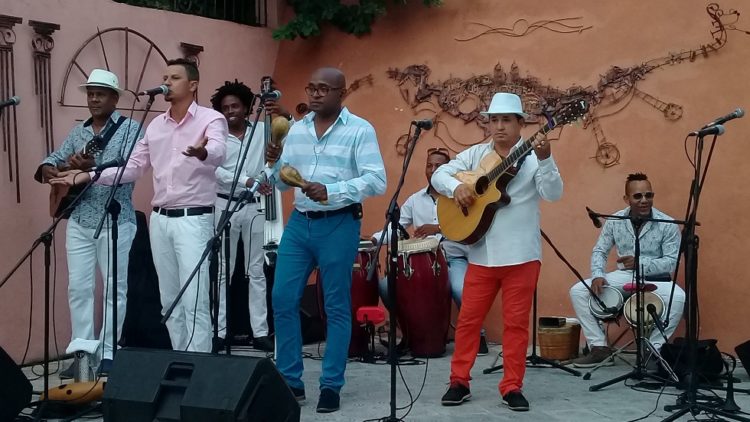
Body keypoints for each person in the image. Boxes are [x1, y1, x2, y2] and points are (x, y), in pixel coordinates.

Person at [51, 59, 227, 353]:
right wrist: (89, 175)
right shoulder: (156, 125)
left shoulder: (211, 119)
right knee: (169, 301)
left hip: (193, 219)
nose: (166, 82)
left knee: (194, 298)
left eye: (174, 78)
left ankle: (199, 364)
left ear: (193, 85)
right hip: (160, 219)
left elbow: (220, 151)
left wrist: (203, 152)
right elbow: (133, 167)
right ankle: (181, 359)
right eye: (165, 77)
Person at [265, 67, 386, 413]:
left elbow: (377, 180)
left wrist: (333, 190)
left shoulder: (360, 130)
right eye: (311, 87)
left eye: (324, 89)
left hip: (339, 223)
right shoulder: (296, 130)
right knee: (282, 298)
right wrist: (274, 163)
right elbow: (283, 182)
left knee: (335, 305)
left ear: (341, 93)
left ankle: (331, 384)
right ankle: (291, 380)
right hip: (300, 224)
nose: (316, 94)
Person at [435, 92, 563, 411]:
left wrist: (546, 159)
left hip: (522, 255)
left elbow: (553, 193)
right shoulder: (476, 154)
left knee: (516, 325)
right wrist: (457, 187)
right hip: (482, 254)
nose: (500, 126)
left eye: (507, 120)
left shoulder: (533, 157)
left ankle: (512, 386)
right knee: (468, 321)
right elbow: (439, 175)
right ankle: (459, 381)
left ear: (521, 123)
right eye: (494, 120)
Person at [35, 69, 139, 377]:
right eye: (91, 94)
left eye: (100, 94)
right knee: (78, 288)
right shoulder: (78, 131)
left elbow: (129, 167)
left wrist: (93, 167)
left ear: (114, 98)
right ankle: (83, 354)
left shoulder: (130, 129)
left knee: (114, 289)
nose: (94, 99)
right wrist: (49, 168)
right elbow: (56, 157)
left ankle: (108, 352)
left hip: (115, 219)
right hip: (79, 219)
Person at [371, 147, 488, 355]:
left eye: (438, 166)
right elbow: (396, 228)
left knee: (461, 289)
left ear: (448, 170)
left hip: (453, 258)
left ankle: (477, 336)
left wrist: (439, 229)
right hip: (421, 264)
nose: (433, 170)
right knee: (385, 287)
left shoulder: (460, 195)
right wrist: (374, 239)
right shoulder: (415, 200)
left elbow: (469, 225)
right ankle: (410, 332)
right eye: (429, 165)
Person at [569, 172, 685, 367]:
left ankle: (654, 349)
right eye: (638, 196)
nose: (644, 200)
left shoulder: (667, 224)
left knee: (679, 297)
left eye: (648, 195)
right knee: (578, 290)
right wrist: (597, 275)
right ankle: (599, 347)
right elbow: (600, 251)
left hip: (657, 279)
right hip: (625, 276)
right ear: (627, 199)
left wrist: (640, 263)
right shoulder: (615, 220)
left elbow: (671, 262)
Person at [209, 79, 290, 352]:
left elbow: (281, 147)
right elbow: (214, 170)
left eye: (235, 106)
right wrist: (247, 181)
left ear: (246, 107)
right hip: (225, 204)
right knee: (223, 270)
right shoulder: (217, 135)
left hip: (255, 205)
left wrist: (264, 179)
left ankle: (260, 332)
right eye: (225, 108)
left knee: (256, 270)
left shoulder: (262, 130)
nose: (230, 111)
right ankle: (220, 332)